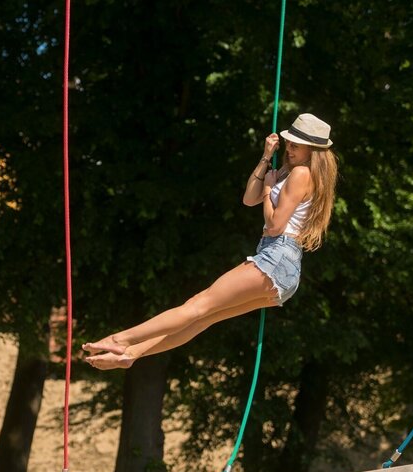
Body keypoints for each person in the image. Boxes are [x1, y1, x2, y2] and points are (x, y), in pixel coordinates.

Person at [83, 113, 337, 370]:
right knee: (203, 319)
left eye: (295, 145)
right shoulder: (289, 172)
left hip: (277, 257)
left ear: (312, 150)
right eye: (288, 143)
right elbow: (249, 199)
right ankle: (132, 354)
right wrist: (265, 159)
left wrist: (270, 190)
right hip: (286, 272)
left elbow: (274, 226)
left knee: (197, 305)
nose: (289, 148)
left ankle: (120, 339)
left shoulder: (301, 174)